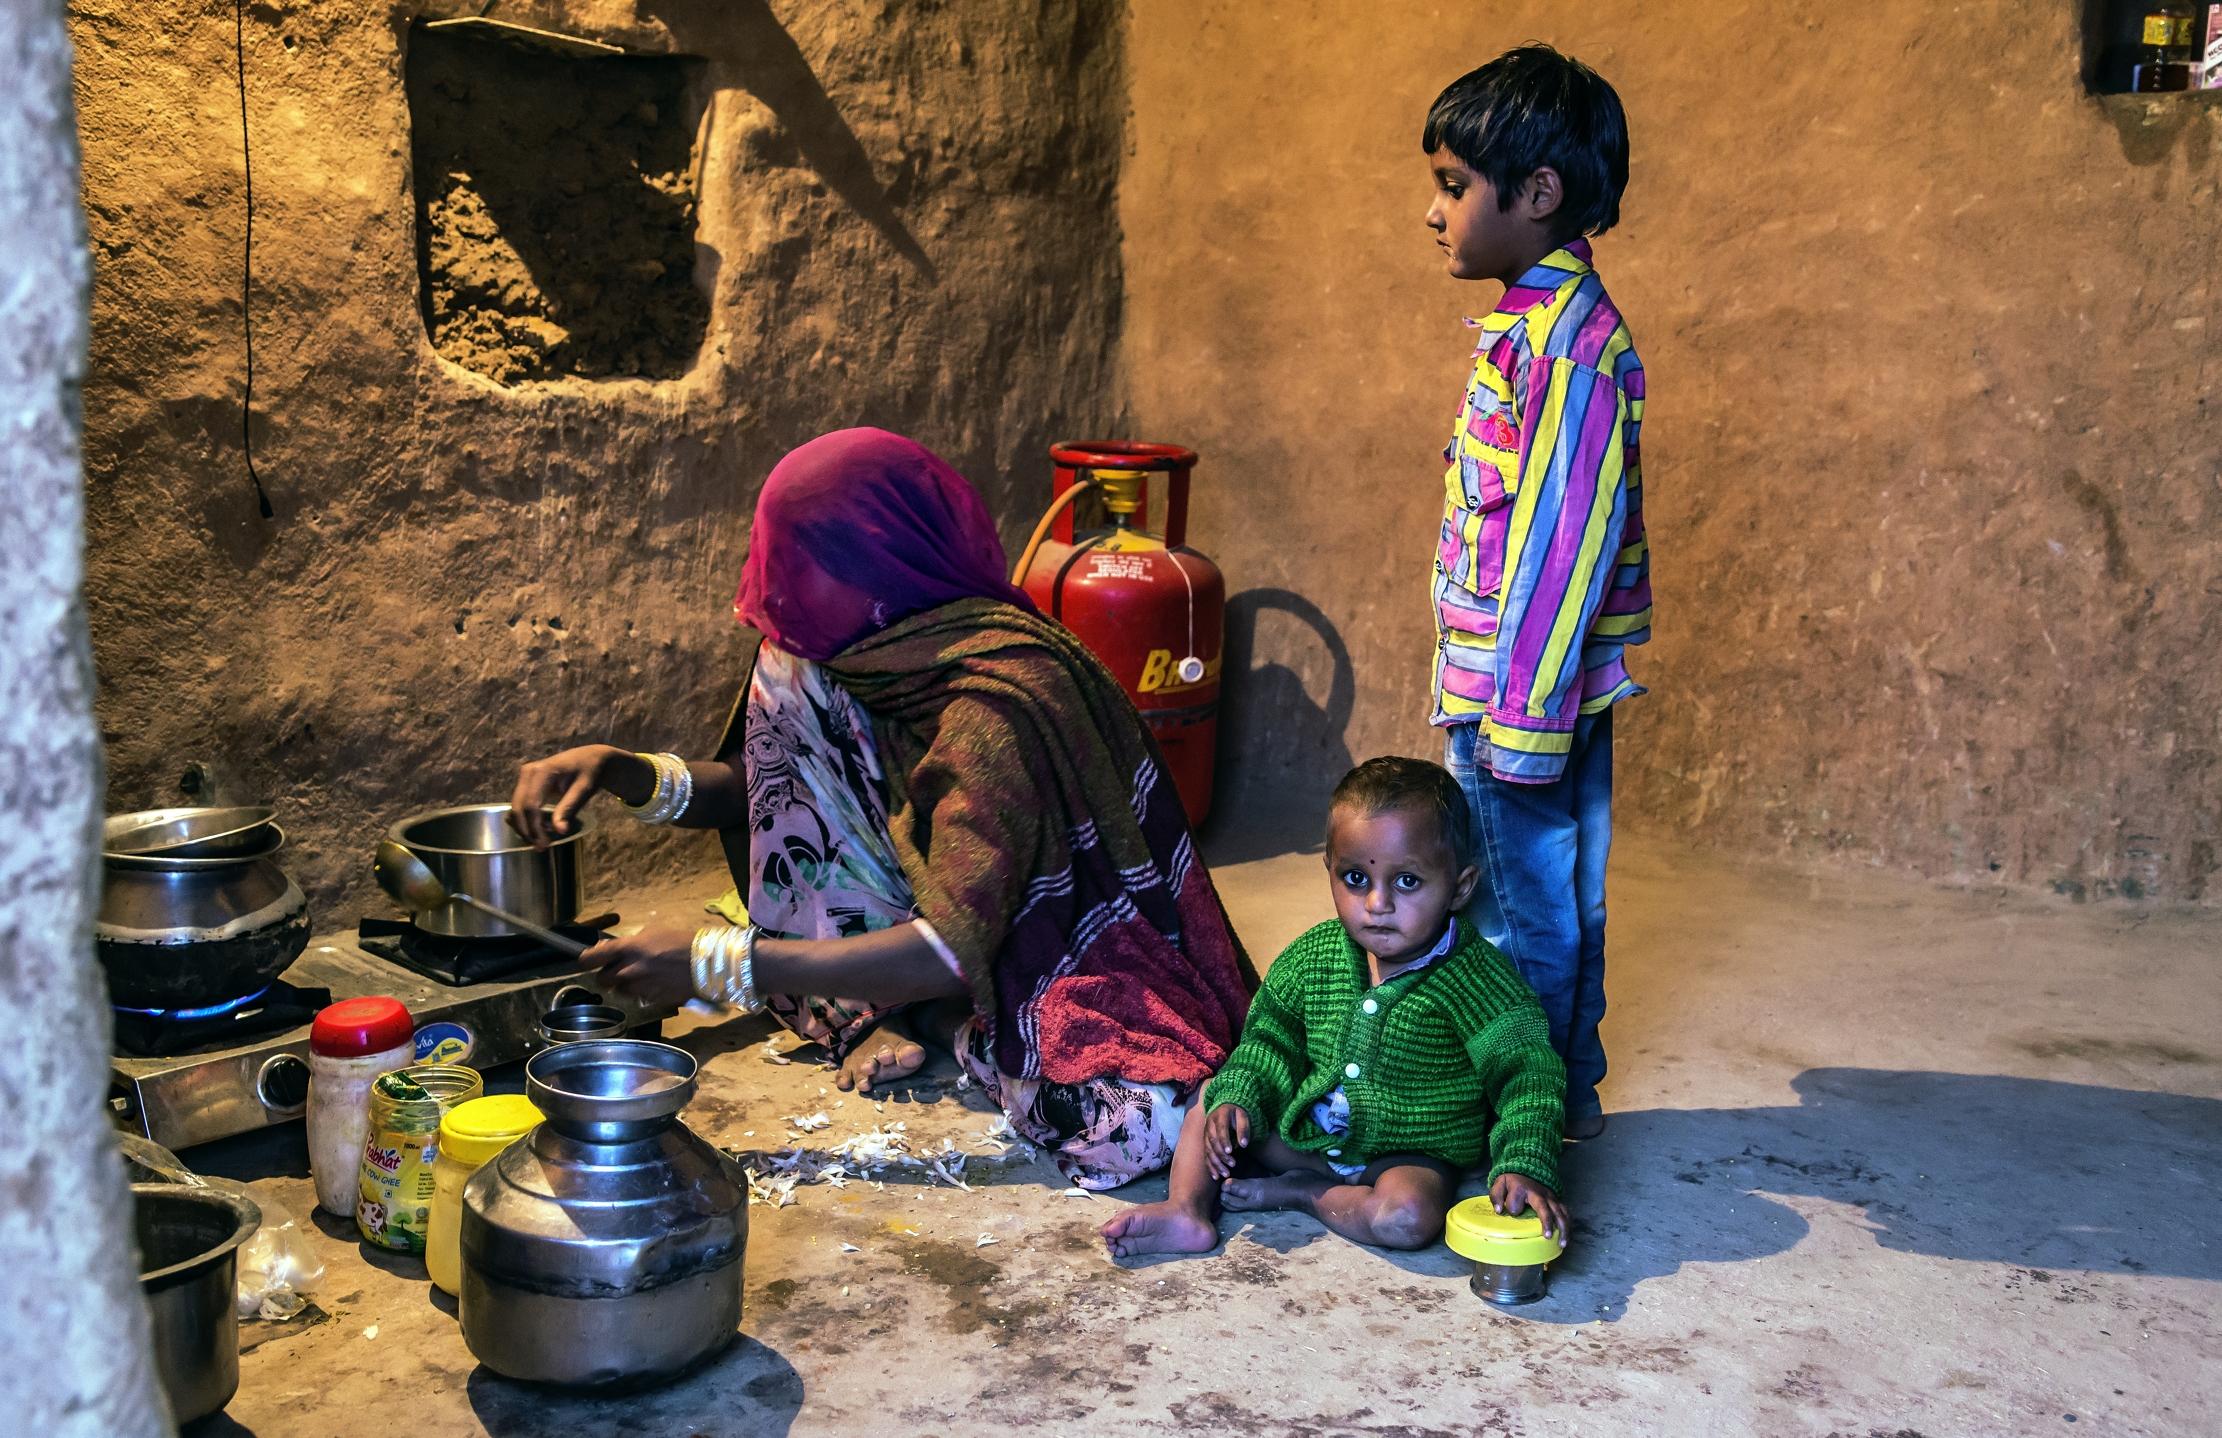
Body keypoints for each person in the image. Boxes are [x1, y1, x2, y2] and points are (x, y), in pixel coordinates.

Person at [508, 427, 1256, 1190]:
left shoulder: (994, 702)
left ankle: (935, 1020)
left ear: (878, 569)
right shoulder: (831, 660)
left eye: (803, 561)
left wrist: (719, 964)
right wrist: (621, 773)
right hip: (929, 922)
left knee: (1135, 1124)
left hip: (1020, 943)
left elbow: (954, 949)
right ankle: (877, 1001)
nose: (776, 584)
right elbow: (770, 794)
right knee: (785, 668)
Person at [1421, 46, 1649, 1141]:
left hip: (1524, 699)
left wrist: (1516, 724)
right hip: (1527, 689)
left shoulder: (1564, 352)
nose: (1434, 212)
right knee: (1553, 896)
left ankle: (1526, 1110)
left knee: (1518, 913)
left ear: (1537, 195)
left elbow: (1562, 552)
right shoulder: (1529, 329)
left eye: (1452, 186)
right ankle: (1560, 1090)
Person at [1101, 757, 1568, 1257]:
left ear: (1460, 887)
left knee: (1408, 1219)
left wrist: (1523, 1162)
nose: (1377, 904)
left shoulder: (1478, 980)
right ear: (1329, 870)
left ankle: (1306, 1195)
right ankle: (1187, 1210)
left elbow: (1529, 1076)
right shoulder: (1313, 957)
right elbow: (1269, 1043)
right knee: (1212, 1096)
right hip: (1307, 1134)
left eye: (1407, 881)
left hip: (1405, 1156)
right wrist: (1241, 1098)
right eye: (1355, 878)